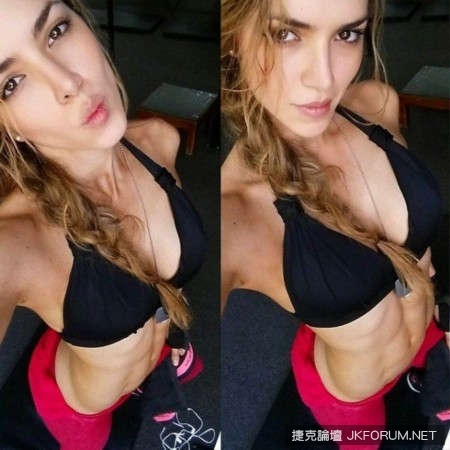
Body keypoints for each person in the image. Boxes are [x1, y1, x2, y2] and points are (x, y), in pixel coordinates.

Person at [221, 0, 450, 448]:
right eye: (286, 34)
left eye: (347, 34)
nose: (325, 79)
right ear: (231, 40)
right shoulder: (235, 214)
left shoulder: (376, 105)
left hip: (427, 333)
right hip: (353, 393)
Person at [0, 1, 211, 448]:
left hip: (154, 357)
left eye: (56, 31)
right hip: (81, 408)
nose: (68, 83)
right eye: (11, 83)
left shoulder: (159, 142)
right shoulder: (15, 240)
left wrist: (169, 333)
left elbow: (162, 282)